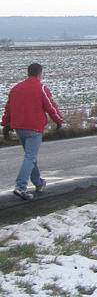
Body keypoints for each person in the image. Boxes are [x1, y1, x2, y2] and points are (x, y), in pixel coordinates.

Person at [1, 63, 63, 201]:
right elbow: (50, 107)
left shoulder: (15, 89)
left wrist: (5, 123)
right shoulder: (41, 88)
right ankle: (20, 187)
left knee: (31, 156)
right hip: (34, 128)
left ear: (28, 73)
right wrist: (58, 120)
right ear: (40, 74)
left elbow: (8, 107)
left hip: (19, 128)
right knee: (30, 157)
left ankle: (38, 183)